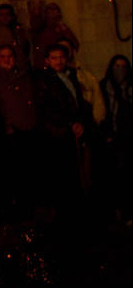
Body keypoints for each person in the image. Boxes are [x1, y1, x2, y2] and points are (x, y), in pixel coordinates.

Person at [35, 43, 94, 221]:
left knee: (79, 173)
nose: (58, 61)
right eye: (54, 58)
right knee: (64, 176)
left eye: (61, 57)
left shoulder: (70, 77)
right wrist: (69, 124)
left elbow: (77, 103)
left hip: (72, 130)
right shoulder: (44, 81)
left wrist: (79, 122)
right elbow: (47, 110)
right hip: (58, 133)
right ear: (47, 61)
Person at [0, 45, 40, 217]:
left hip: (27, 131)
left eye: (10, 56)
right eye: (2, 56)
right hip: (5, 136)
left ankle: (27, 209)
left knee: (27, 174)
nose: (6, 60)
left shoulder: (25, 78)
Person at [99, 55, 132, 223]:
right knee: (114, 176)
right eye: (117, 66)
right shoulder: (105, 86)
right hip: (112, 136)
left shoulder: (129, 88)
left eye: (124, 66)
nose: (120, 70)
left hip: (127, 136)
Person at [0, 3, 31, 73]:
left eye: (8, 14)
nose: (5, 17)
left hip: (21, 73)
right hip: (0, 75)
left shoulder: (20, 32)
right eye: (2, 15)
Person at [30, 1, 79, 70]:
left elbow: (75, 44)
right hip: (45, 66)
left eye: (55, 11)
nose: (53, 13)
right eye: (50, 11)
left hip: (61, 64)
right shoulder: (41, 29)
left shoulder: (62, 28)